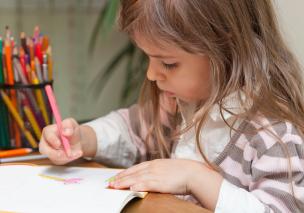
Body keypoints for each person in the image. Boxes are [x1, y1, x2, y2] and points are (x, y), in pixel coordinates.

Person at [39, 0, 304, 212]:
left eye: (167, 63)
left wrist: (196, 178)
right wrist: (84, 138)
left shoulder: (272, 134)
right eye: (148, 58)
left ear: (226, 49)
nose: (151, 75)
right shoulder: (181, 102)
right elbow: (131, 128)